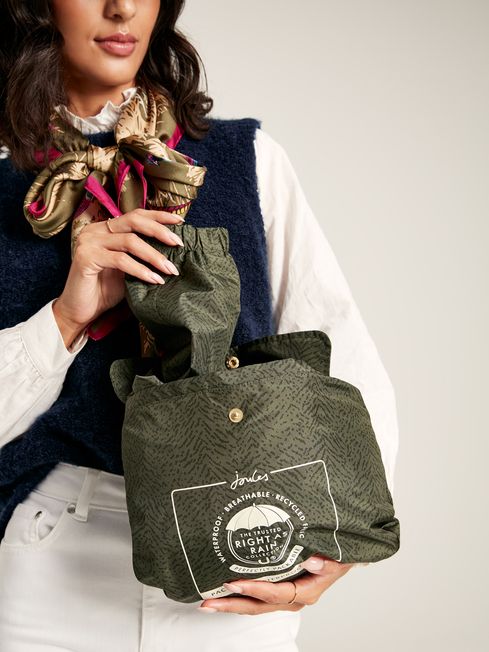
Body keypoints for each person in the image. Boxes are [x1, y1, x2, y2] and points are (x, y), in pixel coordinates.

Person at [0, 1, 399, 650]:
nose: (122, 7)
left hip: (245, 532)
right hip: (53, 561)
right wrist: (66, 317)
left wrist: (343, 544)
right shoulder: (4, 180)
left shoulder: (246, 159)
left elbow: (341, 356)